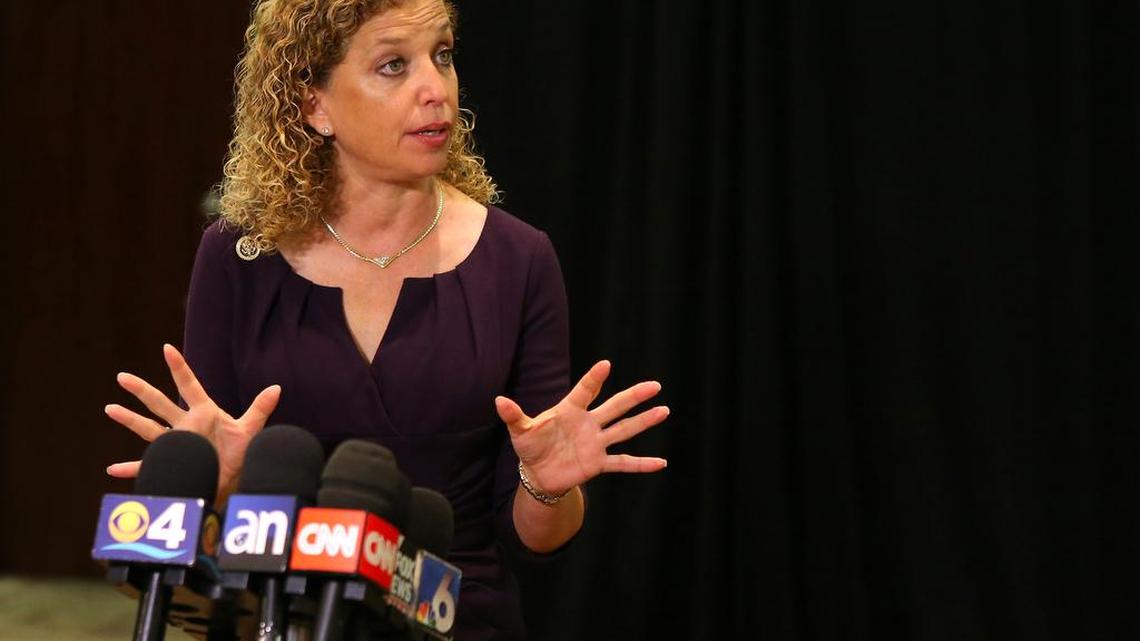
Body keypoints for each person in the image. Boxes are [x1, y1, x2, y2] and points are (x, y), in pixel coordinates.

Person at [103, 0, 668, 639]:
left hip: (453, 622)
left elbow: (537, 540)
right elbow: (222, 531)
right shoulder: (238, 257)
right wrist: (222, 487)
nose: (436, 89)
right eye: (394, 65)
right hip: (277, 617)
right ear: (314, 104)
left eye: (443, 55)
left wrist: (544, 486)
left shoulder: (519, 260)